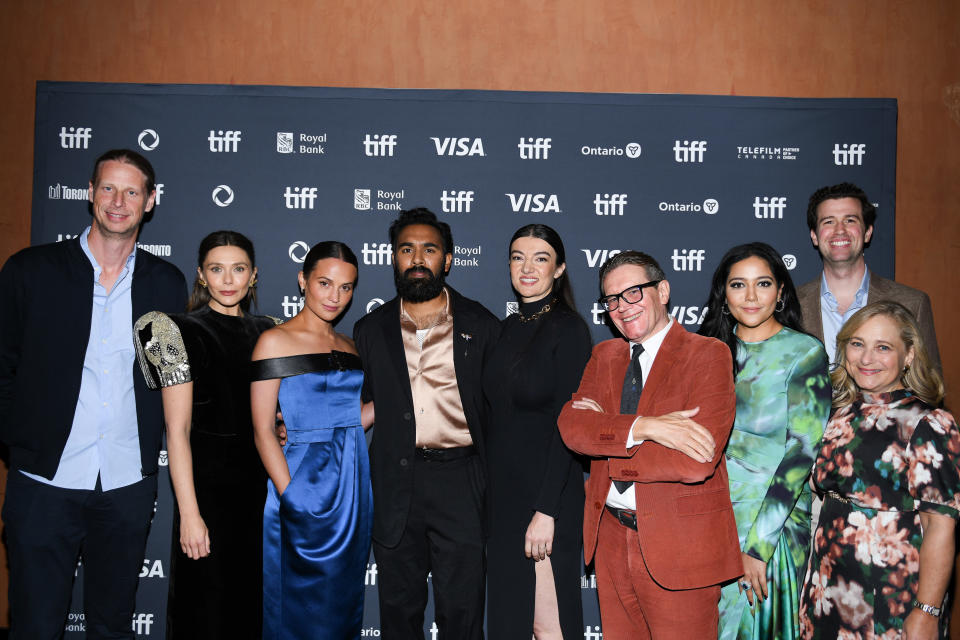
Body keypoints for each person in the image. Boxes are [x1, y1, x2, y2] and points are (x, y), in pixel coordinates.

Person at [0, 149, 186, 638]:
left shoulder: (166, 284)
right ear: (90, 193)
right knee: (34, 626)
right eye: (108, 188)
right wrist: (19, 440)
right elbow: (2, 364)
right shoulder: (30, 271)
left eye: (131, 191)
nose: (118, 201)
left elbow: (175, 380)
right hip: (43, 481)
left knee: (112, 626)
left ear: (149, 202)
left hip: (125, 484)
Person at [557, 250, 741, 640]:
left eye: (633, 293)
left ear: (663, 291)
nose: (622, 308)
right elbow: (573, 428)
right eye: (612, 300)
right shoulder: (604, 355)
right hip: (610, 539)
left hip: (680, 547)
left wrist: (610, 444)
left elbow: (696, 461)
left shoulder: (707, 353)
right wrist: (647, 427)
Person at [353, 208, 500, 639]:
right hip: (396, 484)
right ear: (394, 258)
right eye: (406, 249)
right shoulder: (370, 330)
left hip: (462, 481)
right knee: (399, 614)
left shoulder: (481, 324)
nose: (417, 258)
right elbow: (354, 406)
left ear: (447, 260)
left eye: (429, 249)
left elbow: (502, 413)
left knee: (463, 613)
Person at [133, 230, 276, 638]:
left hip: (259, 498)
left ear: (253, 276)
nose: (228, 280)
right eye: (217, 269)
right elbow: (176, 434)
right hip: (207, 496)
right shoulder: (173, 332)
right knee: (203, 613)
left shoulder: (269, 332)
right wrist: (191, 515)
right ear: (201, 275)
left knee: (249, 612)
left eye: (238, 269)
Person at [800, 301, 958, 640]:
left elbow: (940, 526)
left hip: (890, 596)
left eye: (883, 347)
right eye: (857, 344)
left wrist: (927, 611)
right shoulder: (838, 413)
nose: (866, 358)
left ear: (910, 355)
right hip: (827, 588)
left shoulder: (929, 423)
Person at [697, 242, 831, 639]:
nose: (751, 296)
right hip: (708, 521)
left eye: (763, 284)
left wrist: (758, 546)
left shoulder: (803, 353)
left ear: (781, 292)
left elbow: (802, 452)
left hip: (771, 525)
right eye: (738, 285)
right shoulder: (706, 353)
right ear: (724, 295)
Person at [249, 241, 373, 640]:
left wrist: (405, 395)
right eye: (325, 283)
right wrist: (289, 494)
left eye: (347, 287)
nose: (335, 296)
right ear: (302, 280)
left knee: (340, 607)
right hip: (301, 483)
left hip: (352, 489)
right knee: (298, 609)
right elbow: (264, 429)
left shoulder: (350, 346)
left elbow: (349, 419)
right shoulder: (274, 341)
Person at [483, 224, 592, 639]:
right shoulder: (507, 329)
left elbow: (568, 427)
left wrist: (547, 512)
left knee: (548, 627)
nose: (527, 268)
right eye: (517, 257)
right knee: (511, 623)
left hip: (546, 500)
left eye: (540, 258)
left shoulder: (569, 329)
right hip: (504, 501)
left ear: (559, 269)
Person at [796, 182, 940, 370]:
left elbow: (928, 385)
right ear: (814, 236)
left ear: (867, 233)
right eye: (829, 221)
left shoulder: (912, 304)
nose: (840, 230)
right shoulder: (790, 304)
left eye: (850, 220)